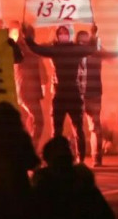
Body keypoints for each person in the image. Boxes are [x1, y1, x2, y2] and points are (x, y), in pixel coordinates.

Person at [24, 24, 97, 163]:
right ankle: (57, 159)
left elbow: (91, 49)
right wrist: (27, 38)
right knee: (58, 130)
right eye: (61, 33)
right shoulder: (60, 49)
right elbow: (36, 49)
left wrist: (93, 35)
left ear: (69, 34)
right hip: (63, 94)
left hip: (71, 93)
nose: (63, 35)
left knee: (77, 129)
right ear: (57, 35)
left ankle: (80, 160)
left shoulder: (69, 49)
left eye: (65, 32)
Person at [76, 28, 118, 166]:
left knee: (95, 127)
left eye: (85, 40)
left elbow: (111, 58)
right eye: (80, 40)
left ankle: (96, 158)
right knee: (78, 127)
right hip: (78, 94)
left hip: (93, 93)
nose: (83, 43)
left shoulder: (95, 51)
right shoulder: (75, 52)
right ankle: (81, 158)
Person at [10, 23, 47, 148]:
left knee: (30, 122)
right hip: (25, 90)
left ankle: (27, 149)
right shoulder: (18, 47)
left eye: (31, 33)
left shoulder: (31, 47)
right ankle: (31, 149)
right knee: (38, 121)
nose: (30, 36)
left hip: (31, 90)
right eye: (28, 33)